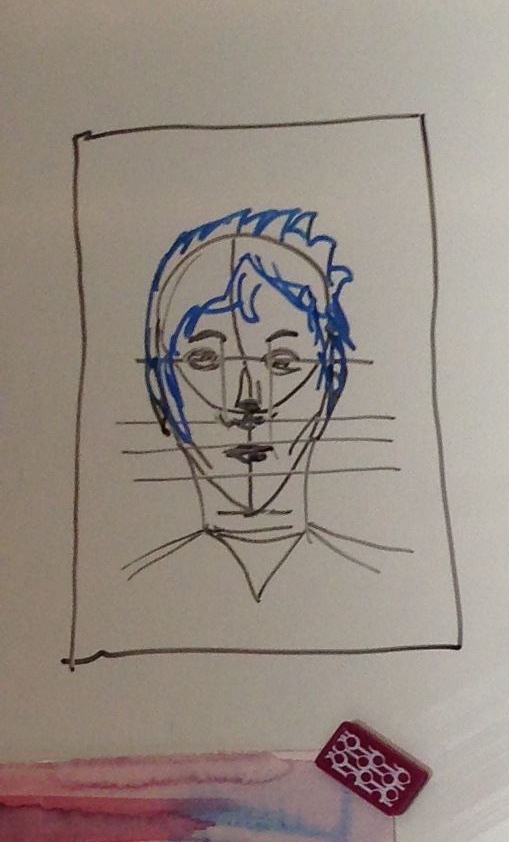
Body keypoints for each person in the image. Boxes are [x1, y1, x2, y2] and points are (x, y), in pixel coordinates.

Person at [129, 205, 392, 596]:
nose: (247, 401)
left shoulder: (383, 582)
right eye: (204, 360)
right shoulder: (130, 590)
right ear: (157, 387)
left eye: (282, 362)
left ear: (333, 378)